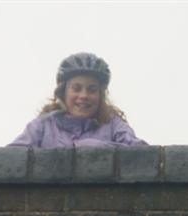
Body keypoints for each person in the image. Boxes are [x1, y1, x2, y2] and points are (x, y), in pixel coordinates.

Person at [8, 52, 147, 148]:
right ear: (64, 92)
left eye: (92, 90)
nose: (84, 95)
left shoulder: (113, 124)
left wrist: (90, 146)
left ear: (101, 95)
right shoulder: (43, 125)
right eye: (77, 88)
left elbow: (141, 152)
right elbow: (12, 157)